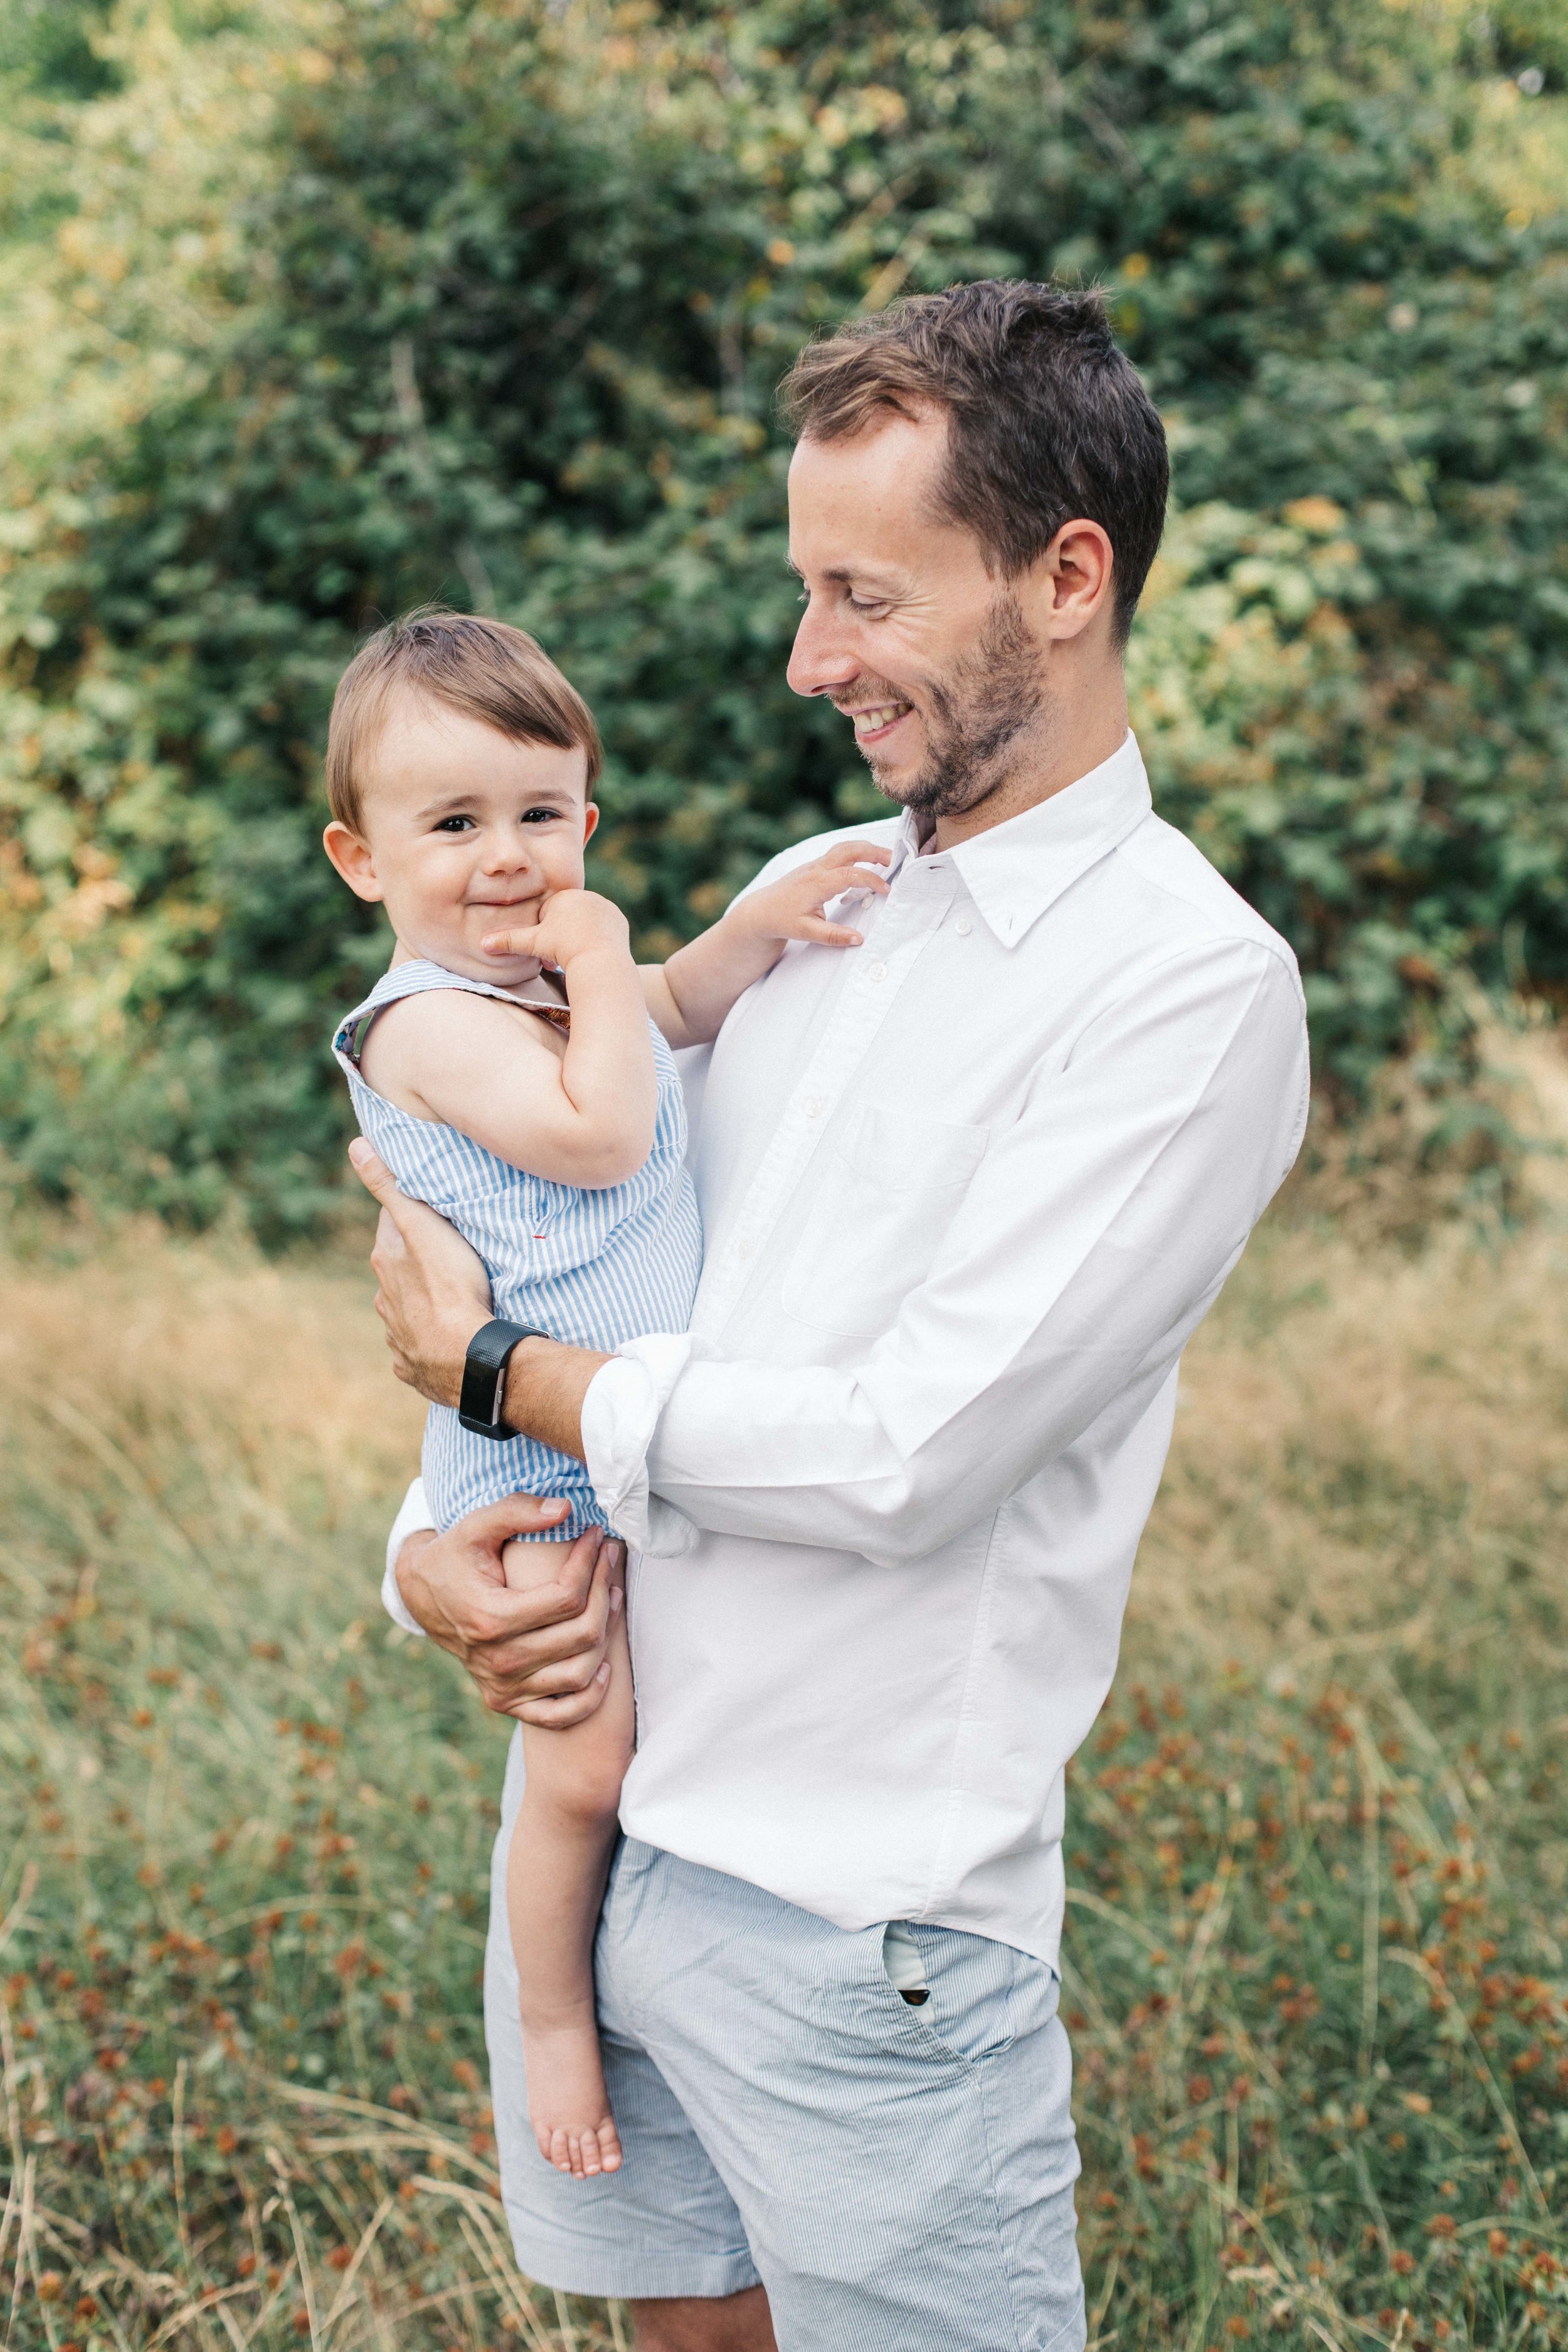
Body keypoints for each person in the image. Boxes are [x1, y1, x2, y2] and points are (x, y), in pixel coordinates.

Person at [351, 280, 1311, 2352]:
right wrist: (428, 1551)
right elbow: (571, 1269)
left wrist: (499, 1375)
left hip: (856, 1925)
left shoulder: (1185, 989)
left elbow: (905, 1454)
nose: (810, 660)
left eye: (863, 596)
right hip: (603, 1840)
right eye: (808, 591)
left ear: (1066, 579)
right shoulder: (811, 899)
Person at [321, 611, 890, 2181]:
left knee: (644, 1726)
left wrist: (748, 931)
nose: (506, 858)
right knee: (578, 1762)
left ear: (587, 817)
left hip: (605, 1417)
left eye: (538, 813)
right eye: (452, 825)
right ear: (363, 861)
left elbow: (675, 1009)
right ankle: (554, 2020)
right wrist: (595, 958)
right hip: (534, 1458)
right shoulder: (430, 1023)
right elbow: (597, 1133)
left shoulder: (545, 987)